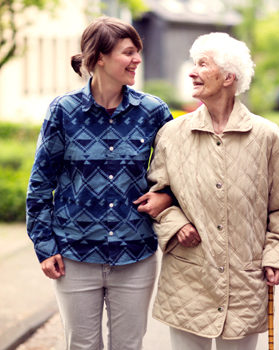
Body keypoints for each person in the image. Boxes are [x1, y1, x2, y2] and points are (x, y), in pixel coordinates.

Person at [136, 32, 279, 350]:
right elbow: (155, 197)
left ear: (229, 77)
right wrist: (176, 224)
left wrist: (277, 256)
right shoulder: (172, 134)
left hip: (245, 283)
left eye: (203, 64)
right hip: (188, 282)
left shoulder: (266, 136)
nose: (192, 71)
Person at [26, 16, 173, 350]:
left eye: (138, 51)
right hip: (74, 255)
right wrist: (44, 245)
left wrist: (166, 197)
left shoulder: (153, 112)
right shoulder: (63, 111)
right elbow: (40, 182)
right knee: (81, 345)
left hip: (135, 253)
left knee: (128, 345)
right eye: (128, 52)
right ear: (99, 58)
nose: (137, 59)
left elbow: (177, 174)